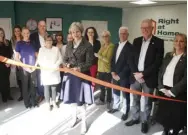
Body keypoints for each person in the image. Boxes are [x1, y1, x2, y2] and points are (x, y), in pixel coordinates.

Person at [125, 19, 164, 134]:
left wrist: (143, 74)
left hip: (148, 78)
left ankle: (144, 122)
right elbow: (131, 59)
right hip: (136, 77)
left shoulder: (158, 42)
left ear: (152, 28)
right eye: (142, 28)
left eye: (147, 27)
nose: (145, 30)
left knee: (147, 102)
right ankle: (135, 118)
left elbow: (157, 62)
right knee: (135, 99)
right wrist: (136, 74)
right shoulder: (136, 41)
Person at [60, 22, 93, 134]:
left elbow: (89, 62)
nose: (75, 34)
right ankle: (74, 118)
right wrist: (67, 64)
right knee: (72, 101)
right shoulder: (69, 44)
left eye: (77, 31)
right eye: (73, 32)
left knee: (81, 102)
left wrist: (79, 68)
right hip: (70, 76)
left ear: (81, 31)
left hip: (82, 77)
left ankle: (84, 122)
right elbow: (65, 59)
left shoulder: (87, 45)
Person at [156, 33, 187, 135]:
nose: (178, 43)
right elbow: (161, 71)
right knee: (165, 113)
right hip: (164, 90)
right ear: (173, 42)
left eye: (181, 41)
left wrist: (172, 91)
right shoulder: (168, 55)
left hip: (177, 92)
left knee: (176, 115)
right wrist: (160, 87)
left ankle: (175, 131)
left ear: (185, 43)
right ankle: (165, 130)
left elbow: (186, 78)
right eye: (176, 40)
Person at [108, 27, 131, 122]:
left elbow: (129, 64)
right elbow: (113, 60)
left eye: (124, 33)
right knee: (116, 92)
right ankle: (116, 106)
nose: (122, 35)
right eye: (121, 33)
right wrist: (113, 72)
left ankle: (126, 111)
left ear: (127, 35)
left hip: (124, 76)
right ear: (118, 34)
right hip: (114, 74)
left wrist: (120, 75)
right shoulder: (116, 45)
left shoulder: (131, 47)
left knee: (125, 94)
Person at [37, 35, 62, 111]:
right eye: (47, 40)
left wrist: (55, 66)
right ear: (44, 42)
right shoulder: (41, 49)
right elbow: (39, 60)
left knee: (54, 88)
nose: (49, 42)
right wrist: (47, 68)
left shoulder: (56, 49)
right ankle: (48, 103)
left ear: (52, 41)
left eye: (50, 40)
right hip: (45, 72)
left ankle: (54, 102)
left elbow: (60, 59)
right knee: (46, 88)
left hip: (54, 71)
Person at [15, 27, 38, 108]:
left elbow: (37, 55)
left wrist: (35, 65)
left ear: (29, 33)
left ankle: (34, 102)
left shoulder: (33, 42)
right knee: (25, 86)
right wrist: (24, 66)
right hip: (24, 69)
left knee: (33, 86)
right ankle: (27, 103)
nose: (26, 35)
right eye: (24, 33)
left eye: (28, 33)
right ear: (22, 33)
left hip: (33, 68)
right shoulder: (19, 43)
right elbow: (17, 57)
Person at [95, 30, 114, 109]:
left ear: (109, 37)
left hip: (107, 70)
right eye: (103, 36)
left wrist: (98, 56)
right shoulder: (102, 45)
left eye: (106, 36)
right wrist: (99, 56)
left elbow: (108, 60)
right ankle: (102, 100)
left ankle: (109, 101)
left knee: (108, 87)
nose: (105, 38)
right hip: (100, 69)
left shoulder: (111, 46)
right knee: (101, 86)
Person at [30, 20, 47, 103]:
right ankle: (41, 94)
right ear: (38, 26)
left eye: (44, 26)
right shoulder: (33, 36)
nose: (42, 27)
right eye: (41, 26)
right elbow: (33, 48)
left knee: (47, 77)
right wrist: (39, 58)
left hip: (47, 61)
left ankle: (47, 93)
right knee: (40, 78)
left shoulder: (47, 36)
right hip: (38, 61)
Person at [0, 27, 13, 102]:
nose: (1, 35)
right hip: (0, 65)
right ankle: (4, 97)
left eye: (2, 33)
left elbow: (10, 53)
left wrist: (9, 62)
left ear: (3, 34)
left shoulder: (7, 42)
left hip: (7, 65)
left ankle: (8, 95)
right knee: (2, 82)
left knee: (7, 80)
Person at [11, 25, 23, 101]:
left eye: (18, 31)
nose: (17, 32)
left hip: (24, 61)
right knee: (19, 80)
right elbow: (11, 52)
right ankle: (22, 94)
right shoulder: (12, 40)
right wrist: (14, 61)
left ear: (21, 31)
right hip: (16, 62)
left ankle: (26, 93)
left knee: (25, 79)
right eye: (15, 31)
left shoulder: (24, 39)